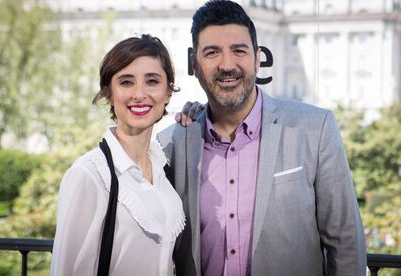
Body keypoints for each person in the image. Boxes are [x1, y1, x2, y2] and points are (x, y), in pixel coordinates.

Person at [157, 1, 366, 275]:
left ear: (257, 59)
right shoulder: (172, 144)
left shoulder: (315, 129)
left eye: (238, 51)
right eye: (212, 52)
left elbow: (346, 241)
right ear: (194, 64)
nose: (227, 64)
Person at [51, 34, 185, 276]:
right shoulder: (89, 174)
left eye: (152, 81)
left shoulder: (162, 168)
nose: (139, 94)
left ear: (167, 93)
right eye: (126, 82)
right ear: (109, 94)